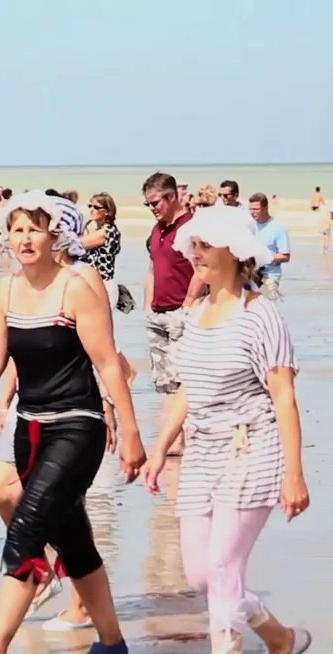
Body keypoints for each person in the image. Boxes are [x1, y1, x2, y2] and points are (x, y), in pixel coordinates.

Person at [0, 190, 145, 654]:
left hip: (78, 426)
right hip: (29, 429)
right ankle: (112, 642)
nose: (25, 238)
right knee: (73, 542)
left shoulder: (76, 287)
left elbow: (108, 362)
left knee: (27, 529)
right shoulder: (7, 291)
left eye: (35, 228)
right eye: (17, 229)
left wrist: (131, 429)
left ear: (56, 234)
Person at [143, 205, 312, 654]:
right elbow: (186, 390)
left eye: (204, 246)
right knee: (200, 576)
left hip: (252, 446)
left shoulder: (261, 315)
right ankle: (282, 640)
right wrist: (157, 451)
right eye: (192, 245)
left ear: (234, 254)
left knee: (224, 568)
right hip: (202, 452)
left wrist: (294, 472)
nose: (194, 253)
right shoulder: (196, 316)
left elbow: (283, 396)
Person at [143, 173, 202, 453]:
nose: (153, 208)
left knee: (184, 378)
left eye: (155, 202)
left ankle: (183, 438)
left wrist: (189, 304)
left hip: (184, 311)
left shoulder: (191, 227)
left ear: (171, 197)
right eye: (148, 204)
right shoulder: (157, 230)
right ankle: (174, 436)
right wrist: (147, 306)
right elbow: (153, 268)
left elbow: (203, 269)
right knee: (165, 381)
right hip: (158, 313)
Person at [249, 193, 291, 299]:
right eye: (251, 209)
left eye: (256, 209)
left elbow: (285, 257)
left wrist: (264, 258)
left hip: (269, 276)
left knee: (267, 306)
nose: (253, 212)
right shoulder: (249, 226)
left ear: (265, 208)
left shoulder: (278, 228)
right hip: (250, 275)